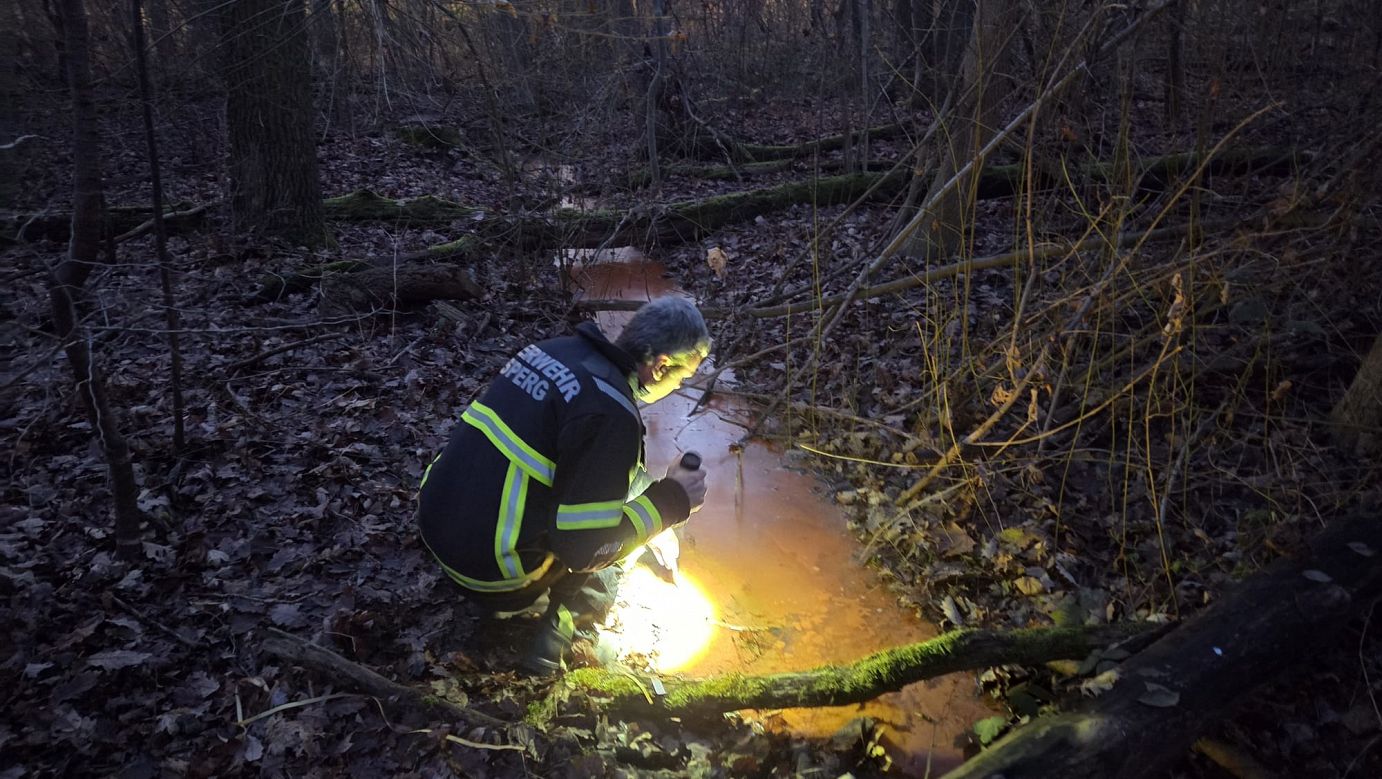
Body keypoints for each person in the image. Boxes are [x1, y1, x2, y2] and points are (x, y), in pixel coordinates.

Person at [416, 296, 711, 675]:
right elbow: (584, 548)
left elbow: (578, 457)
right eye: (683, 378)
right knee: (615, 550)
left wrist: (652, 506)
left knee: (628, 518)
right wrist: (671, 501)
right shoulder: (611, 413)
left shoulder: (551, 351)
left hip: (438, 530)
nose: (680, 385)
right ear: (661, 366)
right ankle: (564, 623)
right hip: (491, 575)